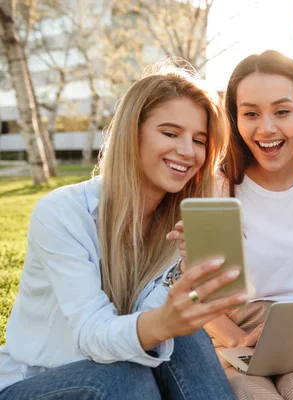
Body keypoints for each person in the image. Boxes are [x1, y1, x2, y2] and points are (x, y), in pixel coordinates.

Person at [0, 64, 247, 399]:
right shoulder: (63, 213)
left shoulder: (179, 229)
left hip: (123, 367)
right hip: (36, 382)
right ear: (133, 133)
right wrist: (164, 322)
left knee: (182, 337)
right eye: (171, 133)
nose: (188, 151)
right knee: (127, 375)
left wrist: (183, 278)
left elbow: (146, 331)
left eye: (199, 140)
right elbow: (92, 335)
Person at [168, 50, 293, 400]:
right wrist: (235, 340)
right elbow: (196, 289)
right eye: (251, 113)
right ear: (234, 118)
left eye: (282, 111)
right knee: (255, 395)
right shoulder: (216, 187)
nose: (266, 129)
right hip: (233, 329)